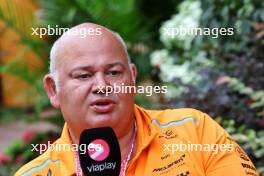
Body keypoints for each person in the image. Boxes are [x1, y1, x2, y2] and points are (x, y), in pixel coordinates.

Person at [15, 23, 259, 176]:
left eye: (113, 73)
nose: (101, 86)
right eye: (84, 75)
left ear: (132, 77)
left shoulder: (195, 131)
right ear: (53, 89)